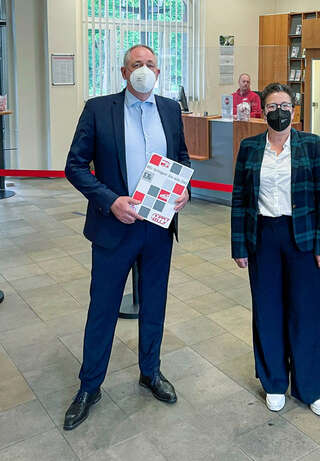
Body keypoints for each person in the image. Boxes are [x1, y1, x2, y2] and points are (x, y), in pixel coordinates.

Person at [63, 44, 191, 430]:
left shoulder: (170, 109)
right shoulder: (99, 109)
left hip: (157, 228)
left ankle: (150, 371)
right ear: (123, 72)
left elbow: (182, 157)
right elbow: (74, 166)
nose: (144, 70)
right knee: (102, 308)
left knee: (154, 303)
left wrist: (184, 189)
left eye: (151, 64)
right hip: (113, 227)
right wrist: (109, 200)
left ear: (159, 72)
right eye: (137, 64)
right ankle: (90, 386)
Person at [231, 82, 320, 416]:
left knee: (306, 311)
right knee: (267, 309)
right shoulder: (249, 147)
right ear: (262, 110)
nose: (280, 111)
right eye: (273, 106)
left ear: (294, 109)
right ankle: (274, 381)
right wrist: (239, 246)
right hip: (262, 236)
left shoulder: (310, 145)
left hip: (301, 235)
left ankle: (311, 386)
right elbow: (240, 199)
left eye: (285, 105)